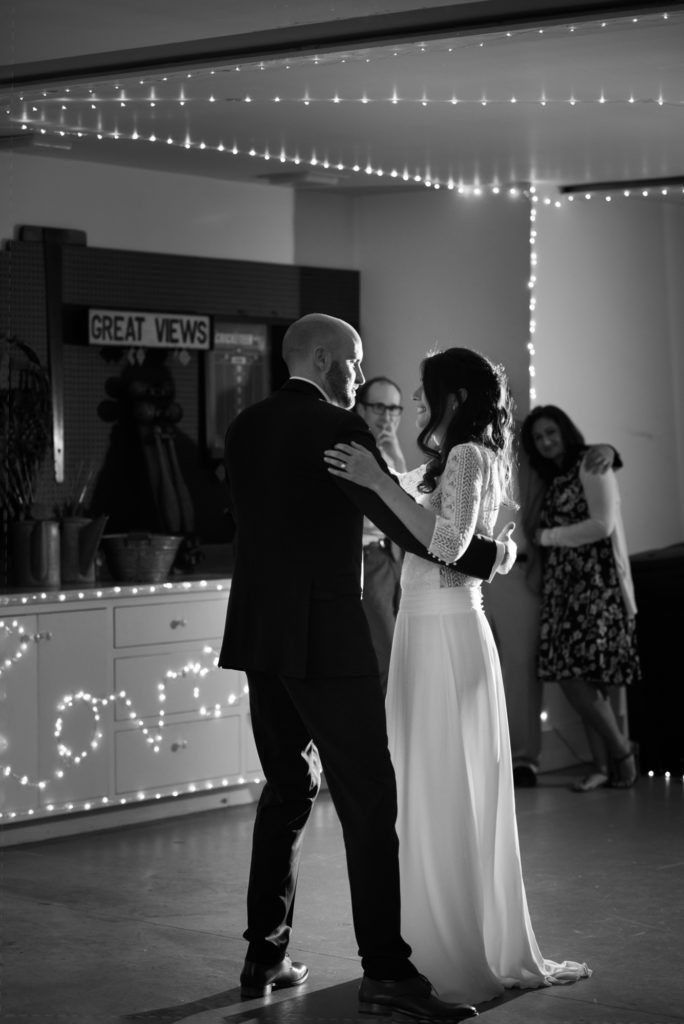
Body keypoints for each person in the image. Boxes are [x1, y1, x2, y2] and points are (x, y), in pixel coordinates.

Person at [219, 314, 516, 1021]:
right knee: (368, 801)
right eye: (352, 364)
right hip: (324, 639)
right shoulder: (335, 430)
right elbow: (417, 534)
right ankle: (388, 972)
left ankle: (264, 954)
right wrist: (494, 556)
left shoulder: (245, 427)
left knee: (287, 789)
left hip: (259, 634)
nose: (360, 376)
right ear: (324, 361)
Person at [325, 347, 591, 1005]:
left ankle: (457, 946)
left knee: (450, 784)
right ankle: (422, 937)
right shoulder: (438, 463)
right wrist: (383, 472)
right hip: (419, 629)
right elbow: (423, 527)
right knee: (421, 786)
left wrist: (386, 485)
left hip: (448, 632)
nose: (415, 404)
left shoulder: (472, 456)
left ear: (452, 398)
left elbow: (444, 544)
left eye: (423, 393)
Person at [520, 405, 640, 793]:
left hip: (593, 585)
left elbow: (602, 525)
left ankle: (622, 753)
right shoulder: (551, 478)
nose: (545, 442)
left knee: (580, 678)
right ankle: (604, 766)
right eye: (538, 438)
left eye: (551, 432)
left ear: (565, 431)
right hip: (563, 587)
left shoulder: (592, 463)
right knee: (583, 680)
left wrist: (547, 538)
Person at [490, 435, 620, 790]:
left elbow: (570, 456)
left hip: (524, 570)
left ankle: (522, 760)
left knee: (520, 665)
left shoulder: (527, 448)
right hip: (465, 568)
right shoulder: (451, 440)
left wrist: (609, 450)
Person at [355, 376, 407, 695]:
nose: (387, 416)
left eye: (394, 408)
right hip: (367, 558)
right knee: (385, 657)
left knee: (399, 654)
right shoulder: (355, 451)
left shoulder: (390, 453)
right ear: (361, 408)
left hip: (395, 558)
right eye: (379, 406)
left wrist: (398, 460)